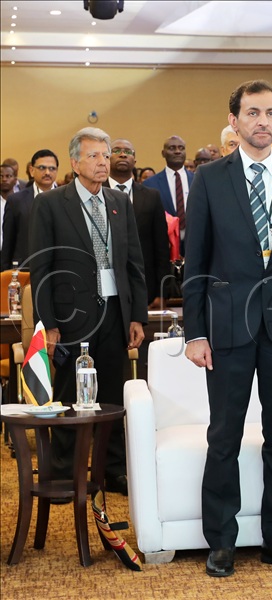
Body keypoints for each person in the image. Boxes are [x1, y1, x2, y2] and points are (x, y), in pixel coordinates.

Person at [183, 80, 272, 578]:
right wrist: (194, 332)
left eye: (270, 113)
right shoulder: (209, 179)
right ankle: (220, 541)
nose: (262, 121)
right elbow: (194, 261)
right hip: (226, 328)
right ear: (235, 120)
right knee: (223, 436)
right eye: (252, 113)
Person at [29, 127, 148, 498]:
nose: (102, 162)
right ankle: (67, 470)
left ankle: (113, 470)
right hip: (70, 316)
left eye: (106, 155)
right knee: (69, 395)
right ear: (75, 161)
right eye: (94, 156)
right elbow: (41, 269)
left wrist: (137, 315)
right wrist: (48, 324)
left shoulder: (118, 201)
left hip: (115, 311)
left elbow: (133, 262)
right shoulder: (51, 203)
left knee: (112, 393)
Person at [108, 139, 170, 308]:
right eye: (117, 150)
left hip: (144, 286)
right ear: (107, 158)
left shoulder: (151, 196)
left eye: (128, 152)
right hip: (105, 287)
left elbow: (161, 248)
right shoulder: (96, 193)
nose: (122, 154)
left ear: (135, 160)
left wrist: (162, 292)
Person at [2, 149, 60, 270]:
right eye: (42, 168)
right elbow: (8, 242)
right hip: (24, 268)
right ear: (32, 171)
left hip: (58, 268)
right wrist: (5, 272)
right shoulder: (16, 200)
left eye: (52, 168)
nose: (47, 172)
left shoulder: (67, 198)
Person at [142, 135, 194, 253]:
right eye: (172, 148)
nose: (177, 151)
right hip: (163, 248)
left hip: (194, 247)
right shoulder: (149, 184)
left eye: (181, 148)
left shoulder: (198, 180)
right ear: (163, 153)